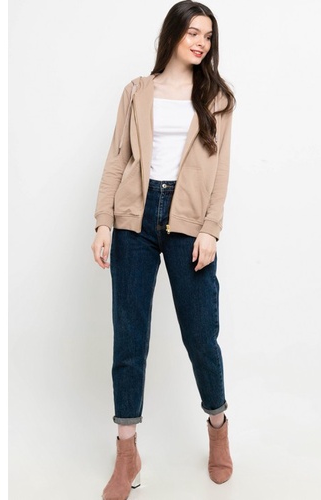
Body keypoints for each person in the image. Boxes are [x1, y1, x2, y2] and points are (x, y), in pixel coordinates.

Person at [91, 1, 236, 498]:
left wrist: (210, 230)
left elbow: (221, 171)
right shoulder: (137, 91)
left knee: (201, 335)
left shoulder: (217, 97)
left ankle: (217, 425)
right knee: (129, 339)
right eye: (193, 32)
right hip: (134, 216)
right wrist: (104, 221)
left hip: (189, 220)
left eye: (208, 36)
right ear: (173, 34)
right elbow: (118, 158)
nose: (201, 43)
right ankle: (126, 452)